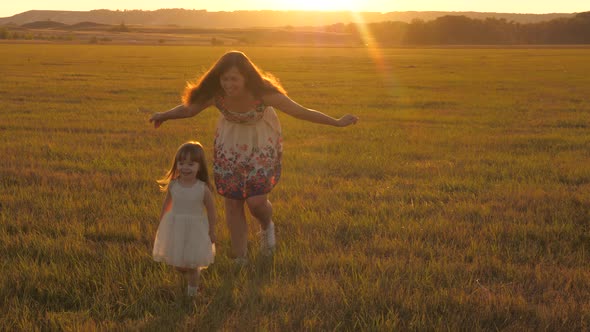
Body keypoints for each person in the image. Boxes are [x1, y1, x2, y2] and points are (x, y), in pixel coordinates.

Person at [148, 50, 358, 265]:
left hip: (261, 147)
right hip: (230, 148)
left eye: (234, 79)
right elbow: (188, 110)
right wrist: (163, 116)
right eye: (225, 78)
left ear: (246, 78)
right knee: (233, 202)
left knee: (256, 202)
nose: (228, 84)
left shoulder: (264, 93)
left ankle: (267, 227)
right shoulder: (216, 95)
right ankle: (241, 257)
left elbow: (300, 111)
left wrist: (337, 122)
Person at [152, 141, 217, 297]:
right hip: (176, 227)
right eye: (181, 163)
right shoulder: (174, 185)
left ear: (199, 167)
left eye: (191, 164)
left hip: (196, 229)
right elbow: (166, 205)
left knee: (193, 264)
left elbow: (211, 210)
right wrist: (161, 225)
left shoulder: (202, 188)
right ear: (176, 164)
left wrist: (212, 231)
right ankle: (186, 276)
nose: (185, 168)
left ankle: (192, 293)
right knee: (179, 264)